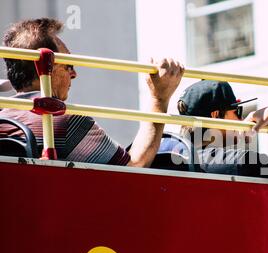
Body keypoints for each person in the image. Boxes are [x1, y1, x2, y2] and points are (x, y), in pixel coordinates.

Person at [0, 18, 184, 167]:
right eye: (68, 65)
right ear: (46, 69)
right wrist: (159, 98)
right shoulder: (63, 119)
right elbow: (133, 168)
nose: (74, 74)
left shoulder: (4, 117)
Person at [175, 80, 268, 181]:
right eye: (237, 111)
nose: (241, 120)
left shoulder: (172, 156)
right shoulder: (242, 160)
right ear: (215, 115)